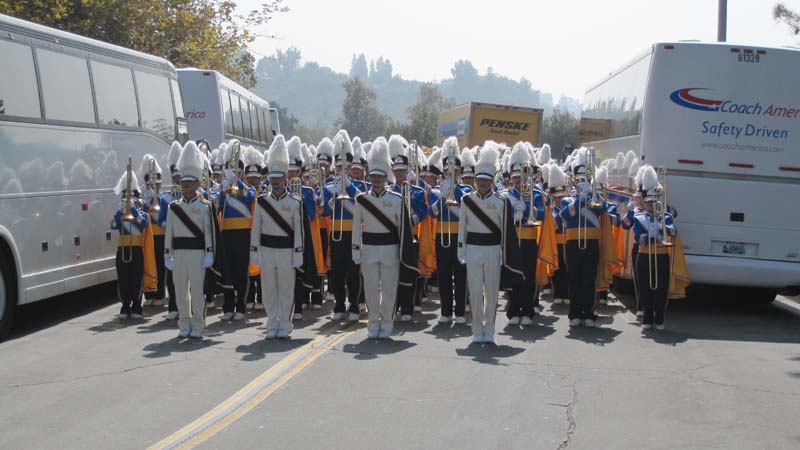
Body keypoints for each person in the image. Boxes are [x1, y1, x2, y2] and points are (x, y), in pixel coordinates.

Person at [457, 144, 523, 344]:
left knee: (492, 292)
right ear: (475, 181)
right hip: (473, 249)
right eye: (480, 180)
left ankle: (490, 329)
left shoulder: (502, 202)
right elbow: (462, 227)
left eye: (486, 180)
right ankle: (477, 329)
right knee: (475, 291)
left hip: (494, 250)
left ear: (491, 181)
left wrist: (504, 253)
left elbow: (505, 231)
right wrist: (461, 250)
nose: (483, 184)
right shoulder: (466, 200)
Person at [351, 137, 405, 339]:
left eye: (380, 177)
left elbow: (402, 230)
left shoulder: (396, 199)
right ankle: (373, 323)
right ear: (369, 176)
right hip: (369, 249)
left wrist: (402, 253)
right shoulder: (361, 200)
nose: (376, 180)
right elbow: (356, 228)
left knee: (389, 289)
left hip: (390, 249)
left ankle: (387, 324)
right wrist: (356, 250)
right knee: (371, 289)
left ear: (385, 177)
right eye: (373, 176)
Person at [559, 148, 619, 328]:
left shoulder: (596, 197)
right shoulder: (568, 200)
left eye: (584, 180)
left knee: (589, 278)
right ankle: (574, 314)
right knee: (574, 279)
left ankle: (588, 312)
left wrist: (592, 194)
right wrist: (581, 198)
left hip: (591, 243)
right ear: (574, 182)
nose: (581, 183)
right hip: (572, 243)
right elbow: (564, 215)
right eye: (579, 181)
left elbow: (603, 209)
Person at [251, 138, 304, 339]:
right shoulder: (262, 202)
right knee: (269, 289)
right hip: (267, 250)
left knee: (286, 289)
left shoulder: (294, 202)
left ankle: (285, 322)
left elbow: (298, 230)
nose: (275, 182)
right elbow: (256, 228)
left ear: (285, 179)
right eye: (272, 178)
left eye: (279, 178)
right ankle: (272, 322)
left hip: (286, 251)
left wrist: (298, 252)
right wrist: (254, 251)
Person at [164, 141, 215, 339]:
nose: (186, 186)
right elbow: (169, 233)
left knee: (197, 291)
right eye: (183, 183)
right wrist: (167, 255)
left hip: (197, 253)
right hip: (178, 253)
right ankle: (183, 322)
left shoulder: (204, 206)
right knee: (180, 292)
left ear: (197, 183)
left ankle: (198, 324)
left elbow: (209, 232)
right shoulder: (173, 208)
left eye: (190, 183)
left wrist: (209, 253)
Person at [429, 139, 470, 324]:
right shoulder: (436, 191)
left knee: (461, 274)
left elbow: (469, 212)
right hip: (442, 235)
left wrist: (455, 193)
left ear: (460, 172)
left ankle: (460, 312)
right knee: (443, 274)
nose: (450, 172)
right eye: (447, 170)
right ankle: (445, 312)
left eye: (454, 170)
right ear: (444, 170)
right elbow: (432, 212)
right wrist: (443, 196)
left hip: (461, 235)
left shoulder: (467, 190)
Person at [503, 142, 545, 326]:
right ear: (511, 178)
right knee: (513, 274)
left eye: (522, 177)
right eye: (515, 178)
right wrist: (514, 213)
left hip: (528, 239)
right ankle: (513, 310)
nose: (519, 181)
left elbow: (542, 214)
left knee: (528, 276)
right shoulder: (505, 195)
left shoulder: (535, 194)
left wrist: (531, 209)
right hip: (512, 240)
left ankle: (527, 310)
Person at [323, 130, 362, 321]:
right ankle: (339, 304)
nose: (342, 170)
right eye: (339, 167)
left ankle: (354, 305)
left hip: (353, 234)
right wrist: (333, 197)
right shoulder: (328, 187)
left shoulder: (360, 187)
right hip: (336, 233)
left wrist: (350, 187)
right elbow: (323, 211)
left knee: (353, 271)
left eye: (346, 167)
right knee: (336, 271)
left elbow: (363, 206)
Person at [388, 135, 427, 321]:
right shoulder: (388, 192)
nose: (399, 174)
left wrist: (413, 219)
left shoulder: (417, 191)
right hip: (392, 236)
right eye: (396, 171)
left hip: (411, 235)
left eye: (402, 170)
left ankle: (408, 309)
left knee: (409, 273)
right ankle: (393, 307)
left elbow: (423, 211)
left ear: (408, 170)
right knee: (391, 274)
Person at [633, 166, 676, 330]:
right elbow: (638, 238)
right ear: (644, 202)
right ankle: (647, 318)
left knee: (661, 289)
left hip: (662, 256)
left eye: (653, 202)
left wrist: (661, 226)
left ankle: (659, 319)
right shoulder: (639, 217)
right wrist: (653, 233)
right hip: (644, 256)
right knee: (645, 289)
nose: (651, 205)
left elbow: (673, 231)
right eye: (648, 202)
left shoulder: (666, 217)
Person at [218, 140, 256, 321]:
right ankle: (227, 306)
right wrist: (223, 187)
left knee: (241, 270)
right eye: (232, 172)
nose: (234, 175)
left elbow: (250, 199)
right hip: (226, 233)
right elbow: (218, 208)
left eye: (238, 172)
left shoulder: (247, 189)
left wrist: (237, 182)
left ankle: (241, 305)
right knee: (228, 270)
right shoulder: (223, 188)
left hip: (242, 234)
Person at [110, 169, 150, 320]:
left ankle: (137, 307)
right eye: (127, 199)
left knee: (136, 279)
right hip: (123, 249)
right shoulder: (120, 214)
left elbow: (143, 224)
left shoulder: (142, 214)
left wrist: (133, 209)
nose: (129, 202)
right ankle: (125, 306)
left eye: (132, 199)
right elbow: (113, 225)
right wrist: (120, 211)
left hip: (137, 249)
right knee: (123, 279)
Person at [159, 141, 184, 320]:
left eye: (180, 177)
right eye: (175, 177)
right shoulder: (165, 198)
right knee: (171, 276)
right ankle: (173, 307)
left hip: (186, 239)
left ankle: (185, 307)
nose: (177, 180)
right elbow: (160, 222)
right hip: (171, 239)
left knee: (186, 275)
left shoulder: (191, 197)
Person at [139, 154, 168, 308]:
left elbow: (165, 216)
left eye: (156, 184)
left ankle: (160, 295)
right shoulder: (144, 200)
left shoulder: (164, 199)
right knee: (148, 264)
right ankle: (149, 293)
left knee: (160, 267)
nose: (153, 187)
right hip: (148, 236)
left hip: (161, 236)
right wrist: (145, 202)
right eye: (150, 184)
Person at [243, 147, 266, 312]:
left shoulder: (265, 192)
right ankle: (249, 296)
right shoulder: (244, 192)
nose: (252, 181)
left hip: (261, 233)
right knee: (248, 267)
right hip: (246, 233)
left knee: (261, 267)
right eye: (249, 178)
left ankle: (261, 297)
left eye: (255, 178)